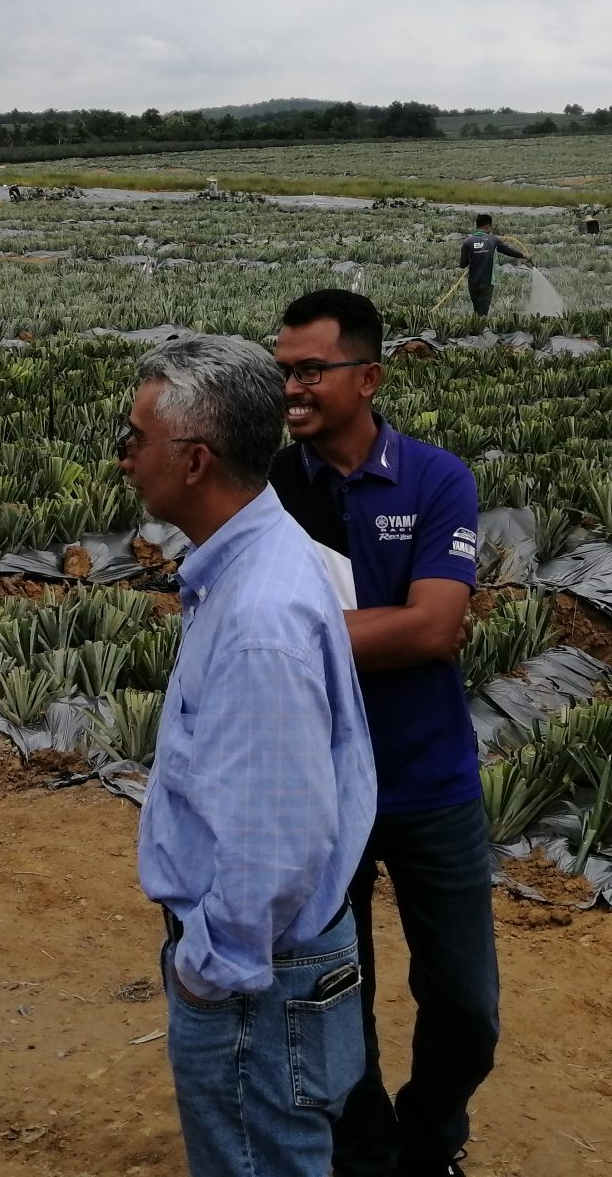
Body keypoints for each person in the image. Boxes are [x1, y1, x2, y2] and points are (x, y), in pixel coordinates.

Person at [118, 334, 376, 1177]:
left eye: (134, 439)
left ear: (193, 462)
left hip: (254, 985)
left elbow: (275, 843)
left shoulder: (259, 619)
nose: (124, 459)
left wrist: (209, 971)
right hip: (272, 973)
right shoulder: (254, 564)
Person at [269, 290, 495, 1177]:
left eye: (311, 370)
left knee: (467, 1008)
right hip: (319, 786)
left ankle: (432, 1136)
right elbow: (216, 615)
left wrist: (289, 633)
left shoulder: (437, 478)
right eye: (283, 368)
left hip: (430, 781)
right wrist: (388, 627)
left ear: (368, 377)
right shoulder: (274, 485)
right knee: (334, 998)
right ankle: (368, 1157)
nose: (293, 386)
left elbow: (436, 629)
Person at [457, 214, 529, 319]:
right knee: (482, 313)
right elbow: (508, 251)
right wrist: (524, 255)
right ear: (487, 226)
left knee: (477, 309)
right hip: (486, 283)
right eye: (490, 228)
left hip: (473, 283)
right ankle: (480, 331)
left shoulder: (467, 242)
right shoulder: (493, 240)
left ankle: (476, 329)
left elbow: (463, 264)